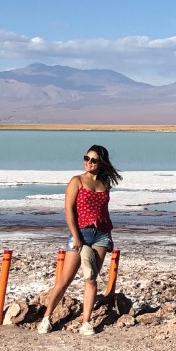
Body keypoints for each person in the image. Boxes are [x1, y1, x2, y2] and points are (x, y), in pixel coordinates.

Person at [38, 144, 122, 336]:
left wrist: (109, 235)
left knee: (91, 278)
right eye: (86, 158)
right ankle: (46, 318)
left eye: (93, 160)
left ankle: (86, 322)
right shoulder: (77, 181)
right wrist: (75, 235)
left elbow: (104, 211)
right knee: (64, 280)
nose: (88, 163)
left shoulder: (104, 184)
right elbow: (68, 209)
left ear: (101, 163)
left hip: (101, 234)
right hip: (81, 233)